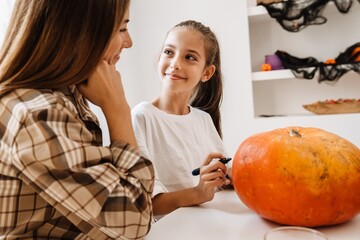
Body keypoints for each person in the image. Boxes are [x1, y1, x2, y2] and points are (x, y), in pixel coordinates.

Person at [0, 0, 154, 239]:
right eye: (122, 29)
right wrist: (118, 109)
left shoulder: (64, 97)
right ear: (81, 34)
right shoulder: (39, 116)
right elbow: (135, 218)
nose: (129, 42)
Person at [132, 20, 231, 219]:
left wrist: (229, 177)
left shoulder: (203, 119)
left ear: (207, 73)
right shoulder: (142, 116)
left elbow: (224, 179)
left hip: (207, 224)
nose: (175, 64)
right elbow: (149, 204)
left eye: (189, 57)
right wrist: (198, 192)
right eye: (169, 52)